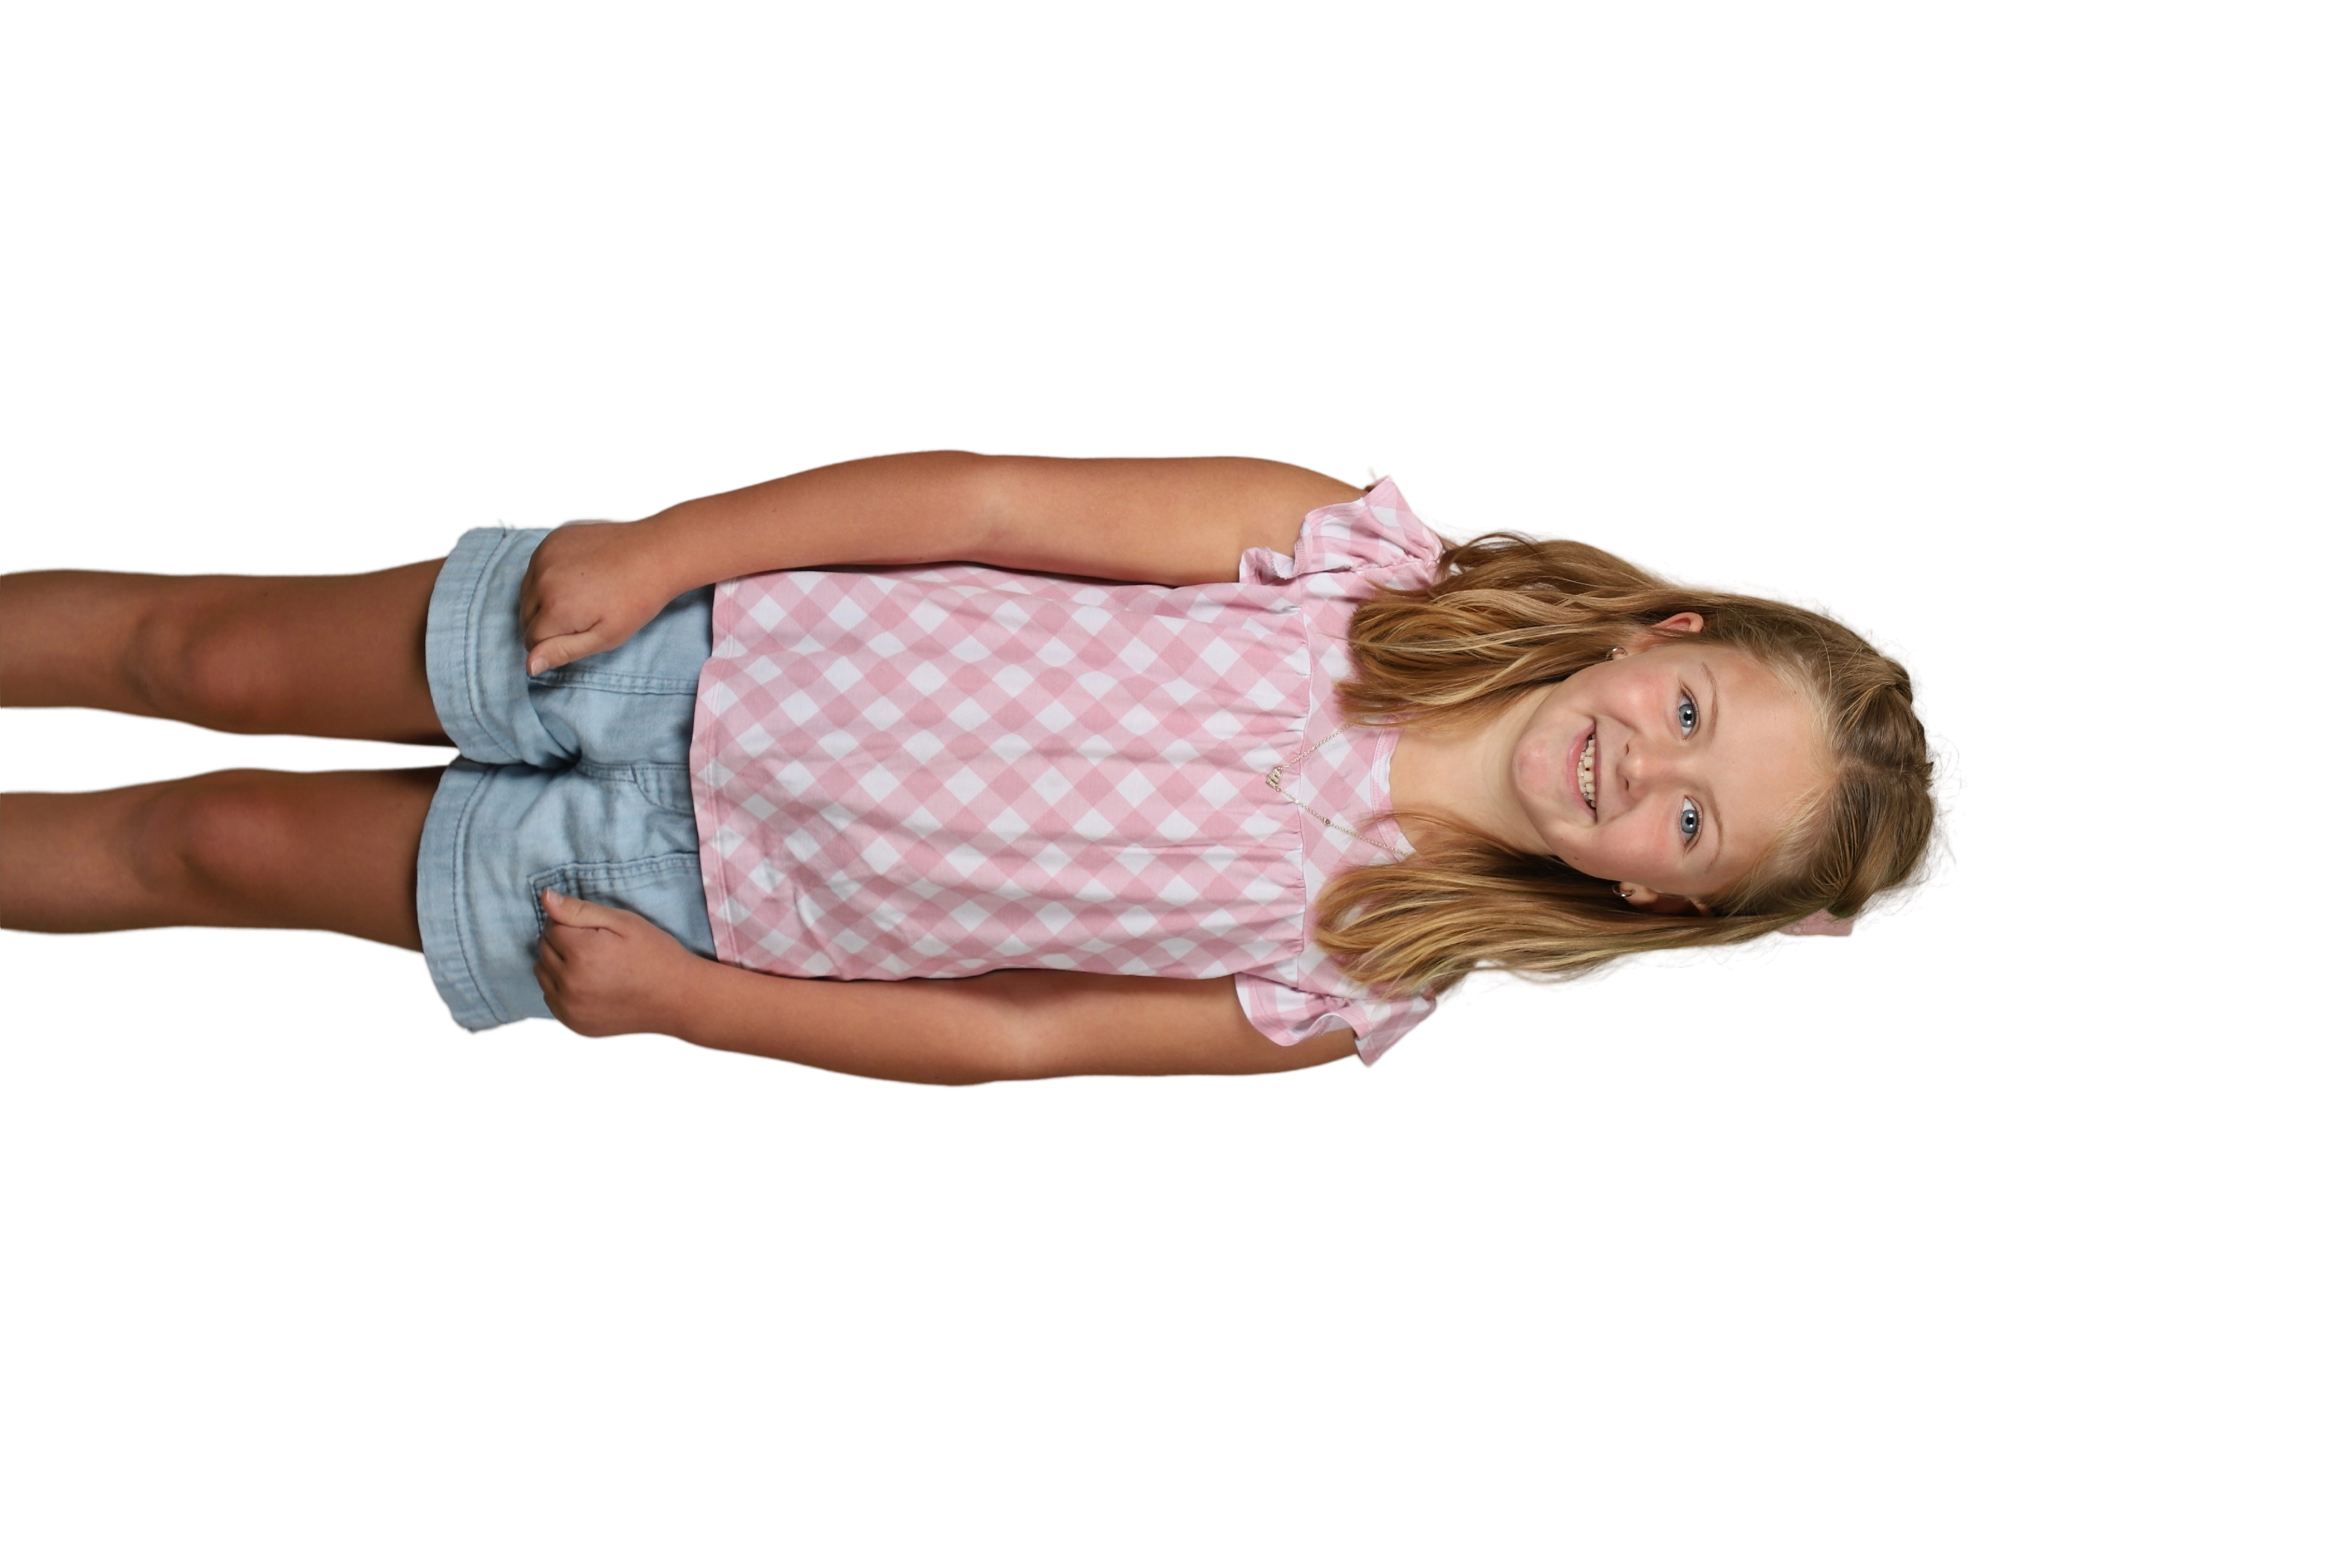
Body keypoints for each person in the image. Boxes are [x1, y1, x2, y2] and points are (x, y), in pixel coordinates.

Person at [0, 448, 1966, 1086]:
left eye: (1693, 822)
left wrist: (697, 1006)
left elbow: (1017, 1039)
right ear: (1662, 635)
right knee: (210, 656)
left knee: (223, 844)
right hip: (680, 640)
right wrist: (665, 552)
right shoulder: (1357, 562)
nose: (1642, 770)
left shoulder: (1354, 980)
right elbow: (994, 502)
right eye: (1693, 717)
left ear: (1648, 897)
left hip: (676, 910)